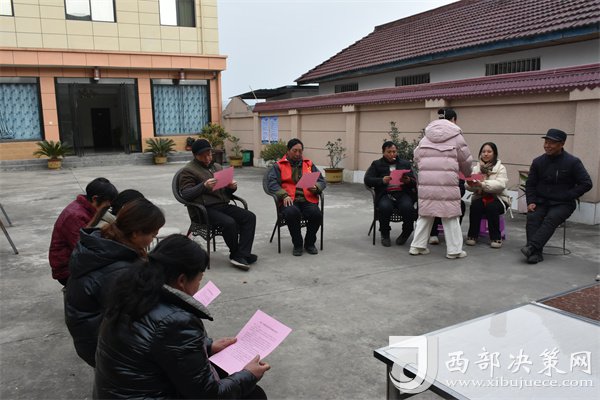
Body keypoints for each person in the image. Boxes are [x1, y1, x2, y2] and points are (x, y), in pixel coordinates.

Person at [94, 234, 269, 399]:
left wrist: (208, 346)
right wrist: (249, 374)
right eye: (199, 279)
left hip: (119, 392)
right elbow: (209, 395)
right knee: (253, 394)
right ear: (182, 280)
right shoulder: (176, 321)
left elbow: (155, 344)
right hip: (143, 393)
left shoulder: (132, 292)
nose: (199, 286)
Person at [65, 198, 165, 367]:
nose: (152, 240)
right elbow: (136, 315)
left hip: (90, 333)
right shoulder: (118, 271)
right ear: (136, 233)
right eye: (152, 235)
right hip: (98, 344)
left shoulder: (101, 242)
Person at [179, 139, 257, 271]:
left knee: (249, 217)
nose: (207, 158)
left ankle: (242, 254)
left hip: (222, 205)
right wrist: (203, 186)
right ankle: (235, 254)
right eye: (203, 156)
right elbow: (185, 194)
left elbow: (225, 192)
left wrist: (231, 188)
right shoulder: (188, 170)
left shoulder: (217, 167)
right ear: (195, 155)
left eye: (209, 154)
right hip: (204, 210)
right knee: (229, 223)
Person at [409, 108, 473, 259]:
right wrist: (467, 174)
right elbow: (466, 160)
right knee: (450, 215)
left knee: (425, 214)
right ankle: (454, 250)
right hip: (447, 183)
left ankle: (417, 246)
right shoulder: (457, 137)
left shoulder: (426, 137)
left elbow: (416, 156)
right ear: (454, 120)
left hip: (427, 183)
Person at [521, 128, 592, 264]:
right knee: (533, 217)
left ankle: (532, 247)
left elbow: (586, 183)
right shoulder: (538, 162)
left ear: (562, 144)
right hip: (541, 201)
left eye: (552, 143)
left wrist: (568, 195)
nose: (547, 146)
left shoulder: (573, 162)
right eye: (546, 142)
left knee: (551, 218)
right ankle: (535, 253)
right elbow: (530, 184)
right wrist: (531, 201)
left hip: (563, 203)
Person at [49, 177, 118, 286]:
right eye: (106, 207)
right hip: (67, 270)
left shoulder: (85, 208)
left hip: (76, 260)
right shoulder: (75, 216)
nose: (106, 210)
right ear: (95, 199)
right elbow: (83, 250)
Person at [266, 138, 326, 256]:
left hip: (307, 198)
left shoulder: (308, 164)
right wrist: (283, 195)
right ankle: (297, 243)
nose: (298, 154)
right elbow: (271, 183)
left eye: (300, 151)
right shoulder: (278, 166)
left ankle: (309, 243)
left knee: (316, 214)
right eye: (295, 151)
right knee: (292, 213)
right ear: (288, 150)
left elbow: (321, 180)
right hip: (289, 199)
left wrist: (317, 187)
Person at [364, 141, 417, 246]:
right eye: (389, 152)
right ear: (383, 152)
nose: (392, 154)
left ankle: (406, 232)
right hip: (385, 193)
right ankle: (385, 234)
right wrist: (382, 180)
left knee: (408, 207)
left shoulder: (404, 164)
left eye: (394, 151)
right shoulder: (377, 164)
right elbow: (368, 180)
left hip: (402, 193)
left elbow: (414, 182)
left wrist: (408, 180)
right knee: (385, 207)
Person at [465, 142, 511, 248]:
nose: (486, 154)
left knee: (492, 207)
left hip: (499, 199)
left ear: (494, 154)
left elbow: (501, 185)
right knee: (475, 206)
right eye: (483, 151)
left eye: (489, 151)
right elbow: (468, 186)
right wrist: (472, 184)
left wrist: (482, 184)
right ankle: (472, 235)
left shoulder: (500, 168)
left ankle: (495, 237)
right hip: (481, 197)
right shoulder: (476, 168)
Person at [428, 180, 466, 245]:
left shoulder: (458, 176)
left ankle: (454, 233)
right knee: (434, 205)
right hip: (437, 198)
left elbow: (461, 191)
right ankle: (433, 234)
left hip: (452, 199)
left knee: (461, 204)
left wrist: (449, 195)